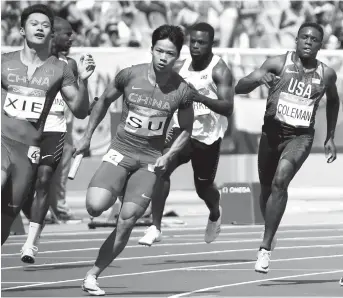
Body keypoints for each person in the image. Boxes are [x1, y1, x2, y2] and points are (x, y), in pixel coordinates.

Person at [73, 24, 195, 296]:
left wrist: (169, 154)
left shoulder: (183, 90)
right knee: (94, 207)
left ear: (177, 56)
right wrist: (87, 137)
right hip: (121, 151)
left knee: (127, 220)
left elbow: (187, 129)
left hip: (150, 160)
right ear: (151, 49)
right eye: (160, 51)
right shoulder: (129, 75)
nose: (164, 57)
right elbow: (103, 101)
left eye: (170, 54)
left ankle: (93, 275)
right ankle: (119, 190)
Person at [235, 22, 340, 274]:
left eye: (314, 39)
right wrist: (260, 79)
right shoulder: (277, 63)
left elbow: (334, 101)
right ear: (296, 39)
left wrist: (330, 136)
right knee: (267, 189)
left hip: (300, 137)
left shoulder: (326, 74)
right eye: (304, 37)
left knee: (281, 181)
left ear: (320, 45)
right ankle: (270, 229)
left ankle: (265, 248)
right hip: (271, 134)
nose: (308, 42)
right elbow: (240, 87)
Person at [1, 4, 95, 245]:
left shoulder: (60, 69)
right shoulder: (4, 63)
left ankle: (29, 240)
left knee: (7, 216)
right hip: (3, 141)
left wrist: (82, 82)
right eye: (34, 24)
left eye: (45, 25)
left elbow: (81, 110)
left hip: (29, 149)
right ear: (22, 30)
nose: (40, 29)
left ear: (50, 32)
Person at [138, 22, 234, 246]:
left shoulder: (219, 70)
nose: (196, 47)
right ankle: (156, 227)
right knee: (161, 168)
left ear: (212, 44)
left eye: (202, 43)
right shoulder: (180, 66)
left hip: (208, 136)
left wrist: (199, 97)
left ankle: (215, 212)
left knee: (203, 188)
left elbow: (228, 107)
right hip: (182, 131)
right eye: (193, 42)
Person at [20, 16, 82, 263]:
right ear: (52, 34)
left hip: (55, 128)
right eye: (67, 33)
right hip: (26, 129)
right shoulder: (29, 60)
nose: (72, 38)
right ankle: (36, 219)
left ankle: (30, 243)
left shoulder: (71, 64)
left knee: (44, 180)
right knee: (23, 187)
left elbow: (75, 102)